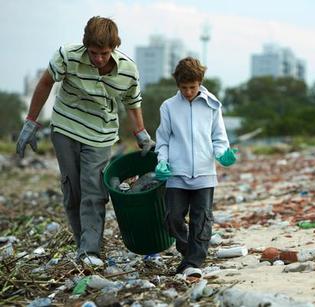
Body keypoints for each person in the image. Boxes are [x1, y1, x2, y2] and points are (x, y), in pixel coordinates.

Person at [15, 16, 154, 267]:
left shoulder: (128, 71)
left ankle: (90, 250)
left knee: (93, 190)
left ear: (113, 48)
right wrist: (31, 122)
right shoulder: (67, 56)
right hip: (65, 128)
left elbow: (133, 104)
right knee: (73, 191)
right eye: (93, 52)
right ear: (85, 46)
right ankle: (83, 243)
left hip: (100, 135)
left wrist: (141, 133)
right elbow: (46, 83)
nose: (98, 59)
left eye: (104, 53)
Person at [154, 57, 238, 278]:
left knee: (202, 219)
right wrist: (162, 161)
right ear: (177, 85)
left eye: (193, 87)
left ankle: (194, 261)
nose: (189, 92)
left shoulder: (212, 105)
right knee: (172, 217)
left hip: (204, 173)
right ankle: (188, 253)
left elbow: (219, 139)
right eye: (184, 88)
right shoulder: (169, 107)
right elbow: (163, 140)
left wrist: (223, 155)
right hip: (176, 172)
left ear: (200, 82)